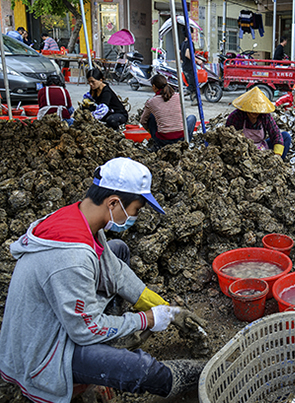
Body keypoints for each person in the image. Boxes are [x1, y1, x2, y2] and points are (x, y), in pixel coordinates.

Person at [0, 157, 206, 402]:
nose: (135, 217)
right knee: (139, 369)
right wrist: (145, 320)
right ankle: (198, 373)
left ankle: (112, 340)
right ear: (113, 203)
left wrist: (168, 311)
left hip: (59, 320)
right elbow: (85, 331)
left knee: (117, 249)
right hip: (43, 349)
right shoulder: (72, 257)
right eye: (136, 210)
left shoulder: (79, 218)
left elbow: (115, 272)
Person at [225, 86, 292, 160]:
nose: (255, 112)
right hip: (242, 150)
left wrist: (277, 156)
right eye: (252, 110)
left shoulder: (265, 116)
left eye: (258, 110)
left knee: (285, 136)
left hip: (261, 148)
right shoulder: (236, 116)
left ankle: (279, 163)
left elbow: (275, 134)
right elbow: (227, 138)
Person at [140, 74, 197, 150]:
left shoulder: (151, 102)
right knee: (192, 117)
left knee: (151, 117)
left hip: (163, 140)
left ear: (154, 86)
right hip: (182, 138)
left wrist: (152, 131)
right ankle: (187, 143)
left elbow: (143, 121)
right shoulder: (178, 96)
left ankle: (156, 143)